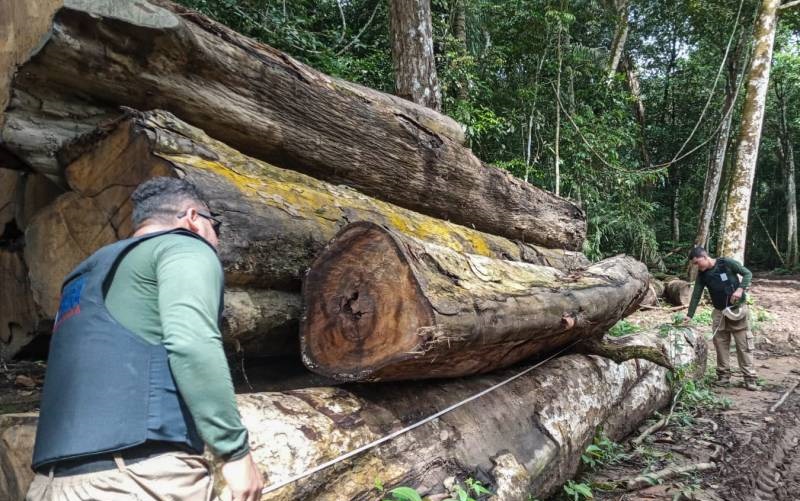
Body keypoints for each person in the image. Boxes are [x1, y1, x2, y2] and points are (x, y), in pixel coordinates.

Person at [27, 177, 264, 500]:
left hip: (49, 484)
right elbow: (192, 343)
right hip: (138, 480)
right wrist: (234, 452)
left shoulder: (84, 275)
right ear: (193, 218)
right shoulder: (183, 247)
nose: (217, 242)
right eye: (216, 227)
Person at [683, 246, 758, 391]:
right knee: (720, 345)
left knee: (744, 346)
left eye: (697, 262)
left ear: (705, 257)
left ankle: (750, 378)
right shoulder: (702, 275)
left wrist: (740, 289)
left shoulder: (726, 263)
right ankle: (723, 376)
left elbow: (747, 273)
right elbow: (696, 295)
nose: (697, 266)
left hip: (738, 311)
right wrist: (689, 315)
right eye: (694, 264)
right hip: (720, 313)